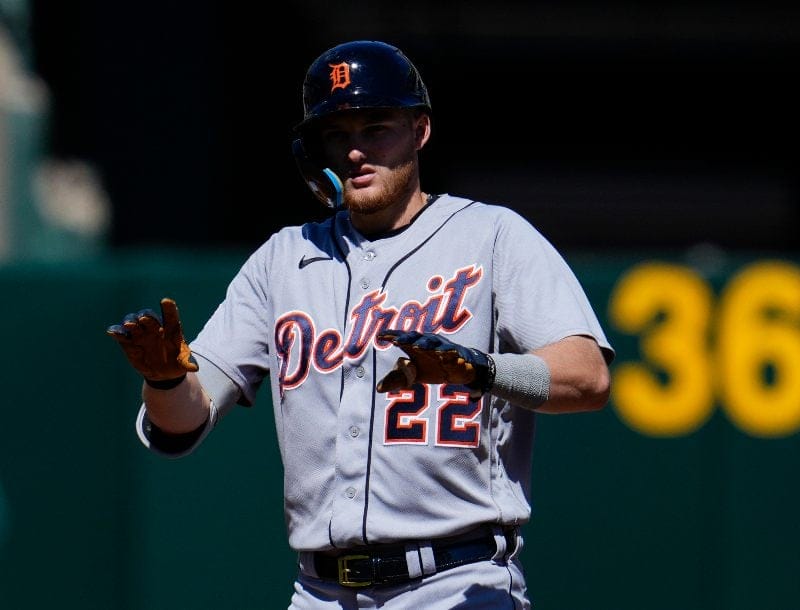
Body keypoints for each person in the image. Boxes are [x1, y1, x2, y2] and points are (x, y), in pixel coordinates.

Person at [105, 40, 613, 609]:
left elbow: (588, 376)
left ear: (419, 130)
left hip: (457, 583)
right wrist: (166, 381)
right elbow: (182, 425)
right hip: (320, 592)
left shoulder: (492, 236)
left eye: (376, 128)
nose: (354, 151)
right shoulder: (283, 259)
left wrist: (482, 371)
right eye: (338, 133)